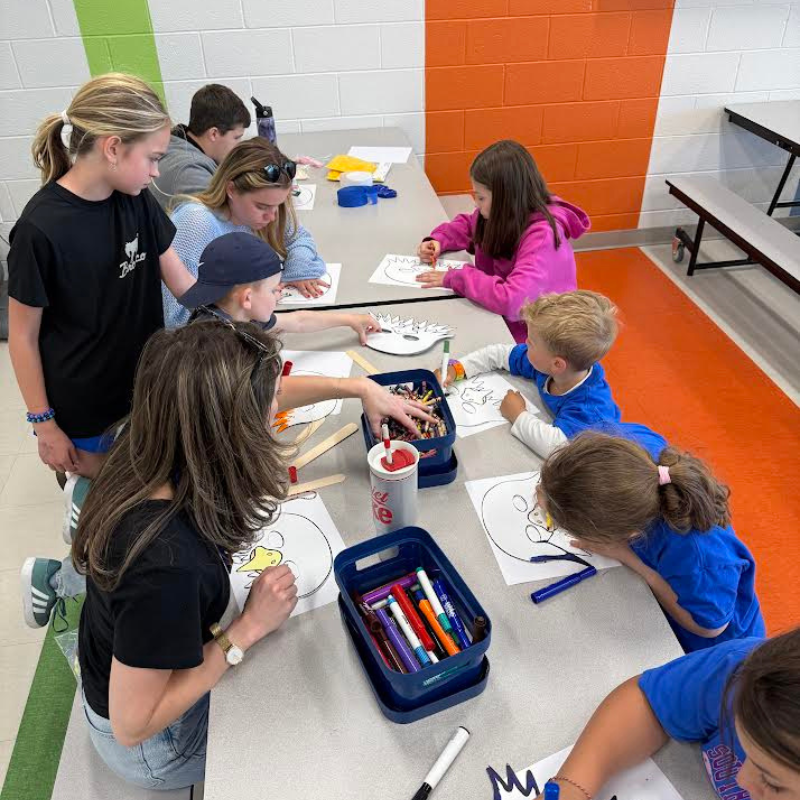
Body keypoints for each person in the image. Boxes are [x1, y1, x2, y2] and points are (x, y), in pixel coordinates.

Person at [73, 321, 297, 790]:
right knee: (295, 726)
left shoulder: (148, 445)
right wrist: (247, 629)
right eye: (271, 402)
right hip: (154, 747)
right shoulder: (165, 566)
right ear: (227, 435)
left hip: (130, 664)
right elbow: (131, 725)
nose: (279, 408)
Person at [7, 73, 195, 629]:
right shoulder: (39, 230)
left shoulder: (134, 200)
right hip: (82, 407)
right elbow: (21, 337)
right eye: (153, 157)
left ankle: (78, 537)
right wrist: (44, 425)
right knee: (112, 522)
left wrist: (245, 297)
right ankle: (63, 567)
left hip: (141, 391)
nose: (158, 171)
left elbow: (185, 284)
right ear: (113, 148)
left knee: (138, 501)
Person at [177, 232, 432, 438]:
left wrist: (349, 319)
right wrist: (360, 386)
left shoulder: (229, 312)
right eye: (275, 290)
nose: (280, 296)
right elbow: (268, 395)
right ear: (247, 297)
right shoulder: (221, 347)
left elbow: (297, 320)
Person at [537, 431, 765, 652]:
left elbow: (709, 627)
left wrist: (627, 557)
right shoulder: (636, 453)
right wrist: (550, 491)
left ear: (631, 534)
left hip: (715, 649)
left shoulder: (698, 558)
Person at [538, 628, 800, 800]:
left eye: (771, 783)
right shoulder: (747, 676)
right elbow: (647, 704)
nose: (742, 778)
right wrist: (573, 787)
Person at [415, 140, 588, 342]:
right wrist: (438, 240)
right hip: (499, 317)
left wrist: (456, 278)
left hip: (537, 337)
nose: (477, 205)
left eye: (481, 198)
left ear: (505, 198)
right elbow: (469, 226)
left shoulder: (543, 237)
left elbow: (513, 301)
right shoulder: (499, 214)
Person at [438, 291, 620, 457]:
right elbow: (498, 354)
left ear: (557, 364)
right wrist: (457, 370)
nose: (524, 343)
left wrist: (518, 414)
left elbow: (557, 448)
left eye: (531, 342)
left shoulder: (591, 409)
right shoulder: (547, 364)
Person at [164, 137, 328, 320]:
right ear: (231, 190)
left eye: (278, 205)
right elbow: (175, 316)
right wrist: (244, 311)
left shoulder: (269, 206)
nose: (272, 216)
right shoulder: (195, 223)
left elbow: (298, 238)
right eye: (262, 207)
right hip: (215, 339)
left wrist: (298, 270)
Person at [149, 83, 250, 210]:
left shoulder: (177, 143)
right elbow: (228, 217)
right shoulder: (190, 171)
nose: (238, 146)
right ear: (214, 133)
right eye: (236, 137)